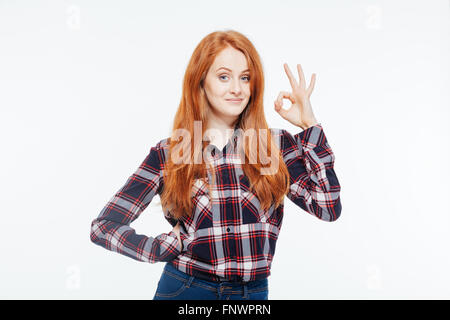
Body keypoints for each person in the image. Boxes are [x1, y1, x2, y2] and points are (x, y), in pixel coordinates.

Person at [90, 29, 342, 300]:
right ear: (201, 82)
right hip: (186, 290)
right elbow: (103, 226)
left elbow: (327, 207)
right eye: (224, 77)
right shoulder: (171, 152)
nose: (237, 88)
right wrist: (163, 247)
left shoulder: (275, 145)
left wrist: (309, 125)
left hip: (252, 295)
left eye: (245, 78)